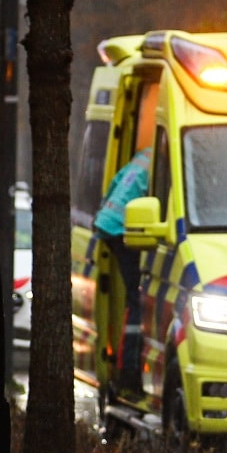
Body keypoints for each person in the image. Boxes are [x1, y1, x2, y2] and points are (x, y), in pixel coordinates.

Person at [92, 146, 151, 394]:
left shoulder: (143, 156)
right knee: (139, 299)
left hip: (107, 221)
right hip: (120, 228)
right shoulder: (165, 158)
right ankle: (130, 369)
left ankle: (128, 366)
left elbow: (114, 185)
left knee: (134, 295)